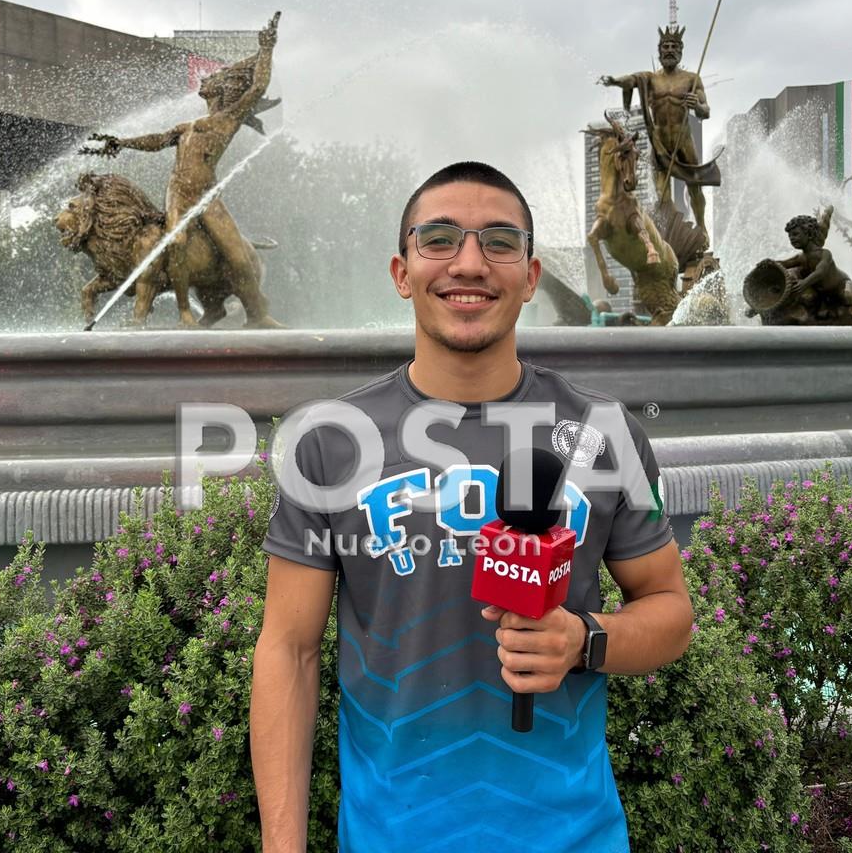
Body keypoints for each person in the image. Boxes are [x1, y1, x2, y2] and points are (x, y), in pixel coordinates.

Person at [251, 162, 694, 853]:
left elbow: (670, 610)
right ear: (403, 273)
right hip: (390, 837)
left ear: (531, 275)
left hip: (574, 836)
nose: (469, 262)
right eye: (439, 239)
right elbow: (289, 650)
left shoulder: (603, 432)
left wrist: (586, 640)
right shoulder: (331, 441)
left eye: (498, 241)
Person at [81, 13, 282, 328]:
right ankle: (185, 311)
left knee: (239, 256)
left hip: (208, 195)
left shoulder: (227, 119)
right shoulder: (186, 127)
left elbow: (257, 86)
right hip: (179, 193)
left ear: (222, 88)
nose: (205, 78)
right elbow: (157, 140)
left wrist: (266, 49)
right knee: (176, 242)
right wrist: (122, 142)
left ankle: (258, 315)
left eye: (213, 76)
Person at [599, 24, 720, 250]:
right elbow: (630, 80)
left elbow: (706, 111)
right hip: (659, 144)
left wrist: (698, 106)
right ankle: (668, 234)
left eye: (674, 46)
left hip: (683, 142)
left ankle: (702, 227)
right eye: (666, 46)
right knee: (661, 195)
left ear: (681, 50)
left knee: (694, 187)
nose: (670, 50)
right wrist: (615, 81)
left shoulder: (692, 79)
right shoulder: (650, 79)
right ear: (659, 50)